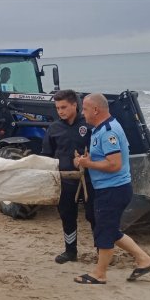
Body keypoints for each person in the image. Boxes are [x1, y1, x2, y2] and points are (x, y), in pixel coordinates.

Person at [73, 93, 150, 284]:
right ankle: (144, 259)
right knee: (110, 230)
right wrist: (86, 160)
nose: (82, 112)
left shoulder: (109, 131)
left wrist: (88, 164)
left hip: (113, 189)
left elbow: (114, 164)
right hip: (109, 188)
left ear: (96, 110)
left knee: (104, 231)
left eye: (84, 108)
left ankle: (99, 274)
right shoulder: (100, 128)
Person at [41, 89, 95, 264]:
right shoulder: (54, 128)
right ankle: (70, 251)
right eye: (57, 108)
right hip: (65, 181)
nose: (60, 111)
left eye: (64, 107)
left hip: (90, 180)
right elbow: (47, 156)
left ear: (75, 105)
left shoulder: (89, 125)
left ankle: (102, 251)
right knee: (67, 215)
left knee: (94, 216)